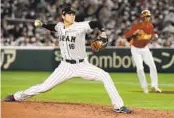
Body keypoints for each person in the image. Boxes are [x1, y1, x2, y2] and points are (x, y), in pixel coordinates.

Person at [4, 7, 132, 113]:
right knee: (44, 87)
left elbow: (97, 23)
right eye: (70, 14)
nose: (72, 16)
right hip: (65, 66)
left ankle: (119, 106)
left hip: (82, 65)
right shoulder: (60, 26)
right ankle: (17, 96)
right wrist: (43, 25)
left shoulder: (80, 26)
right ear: (63, 16)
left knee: (105, 76)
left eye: (73, 14)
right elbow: (53, 26)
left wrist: (103, 32)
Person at [124, 10, 162, 94]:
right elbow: (127, 37)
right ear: (143, 17)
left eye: (149, 16)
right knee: (140, 69)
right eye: (146, 16)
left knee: (152, 66)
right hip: (135, 49)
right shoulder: (136, 26)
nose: (148, 18)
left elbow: (150, 38)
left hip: (145, 48)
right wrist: (134, 34)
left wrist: (154, 37)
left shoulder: (150, 26)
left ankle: (154, 86)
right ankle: (145, 88)